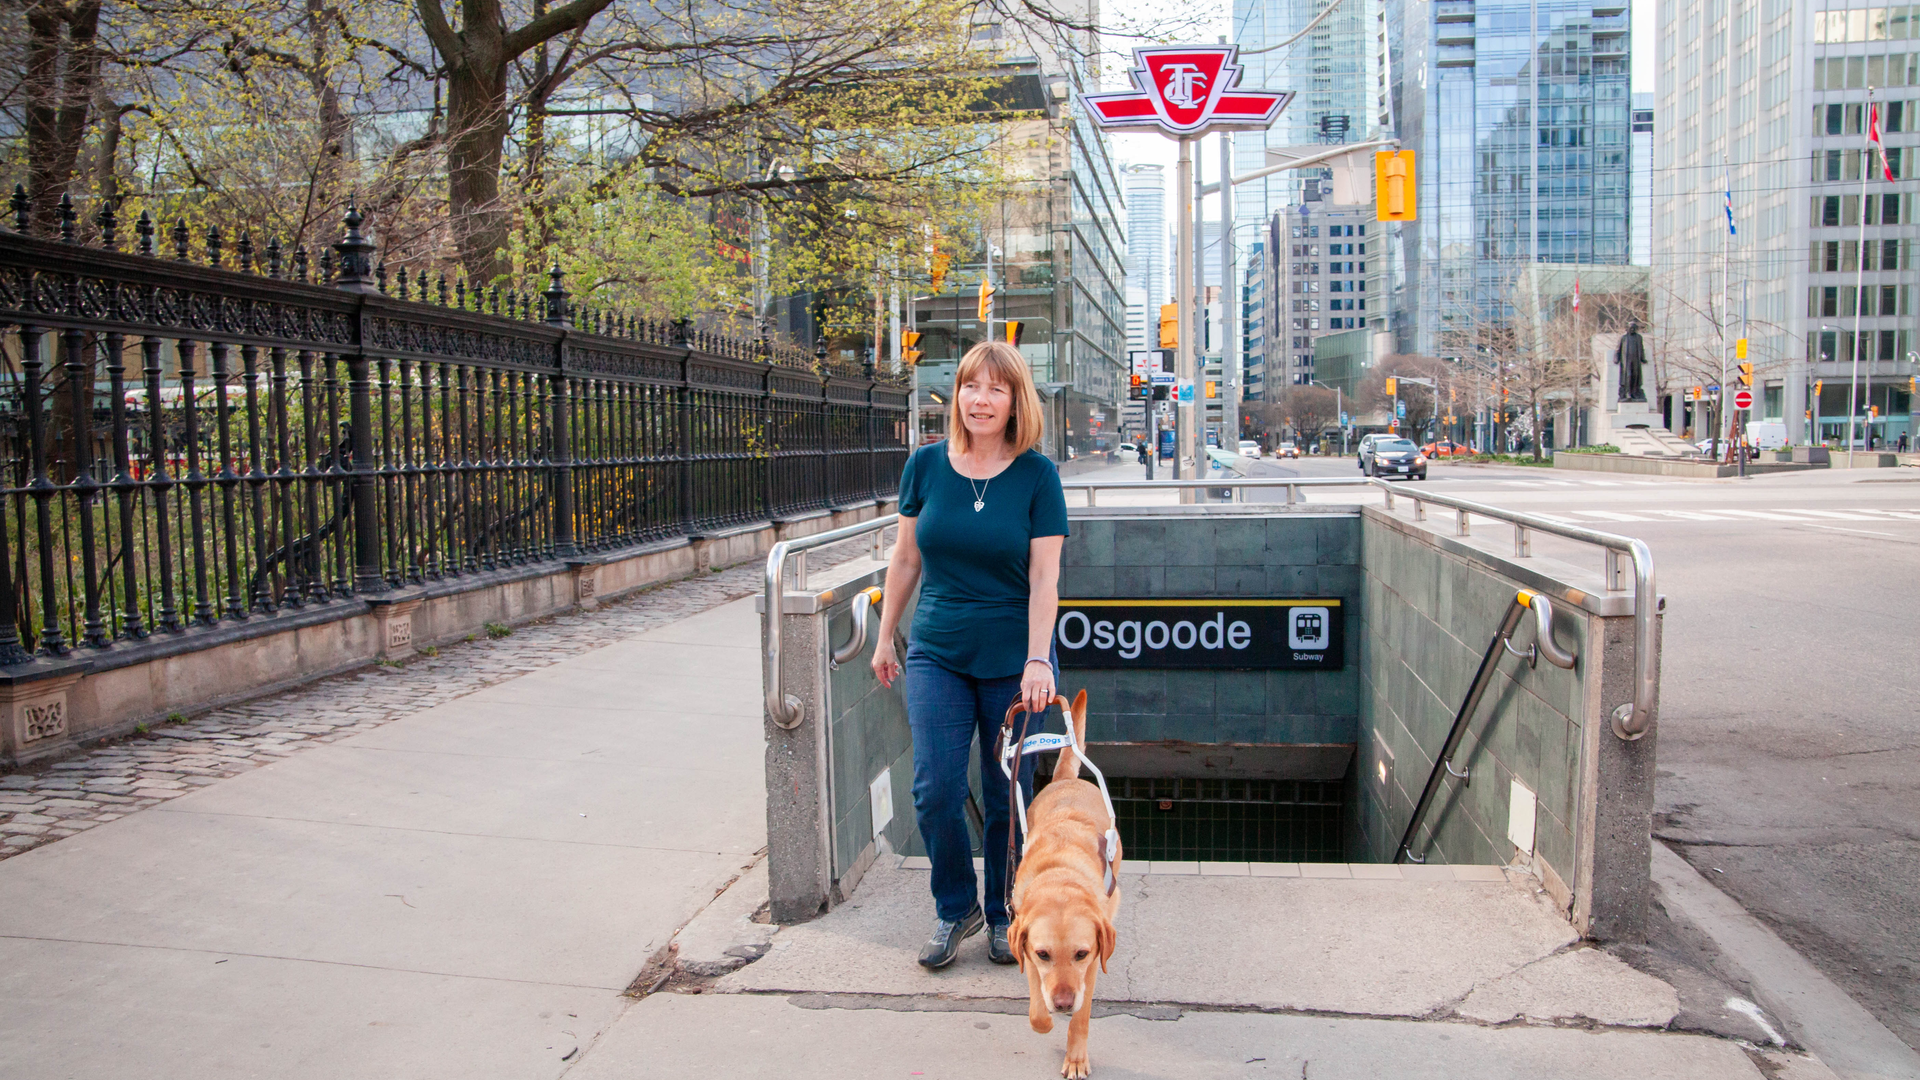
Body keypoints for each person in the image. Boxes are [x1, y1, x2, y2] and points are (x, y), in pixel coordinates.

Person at [871, 341, 1069, 970]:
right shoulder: (925, 467)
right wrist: (884, 635)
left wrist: (1040, 658)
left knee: (1006, 791)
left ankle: (1006, 907)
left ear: (1016, 402)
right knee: (933, 787)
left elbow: (1045, 579)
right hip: (938, 651)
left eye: (996, 389)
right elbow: (906, 558)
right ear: (956, 395)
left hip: (1017, 661)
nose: (981, 399)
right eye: (970, 386)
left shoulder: (1038, 476)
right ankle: (957, 907)